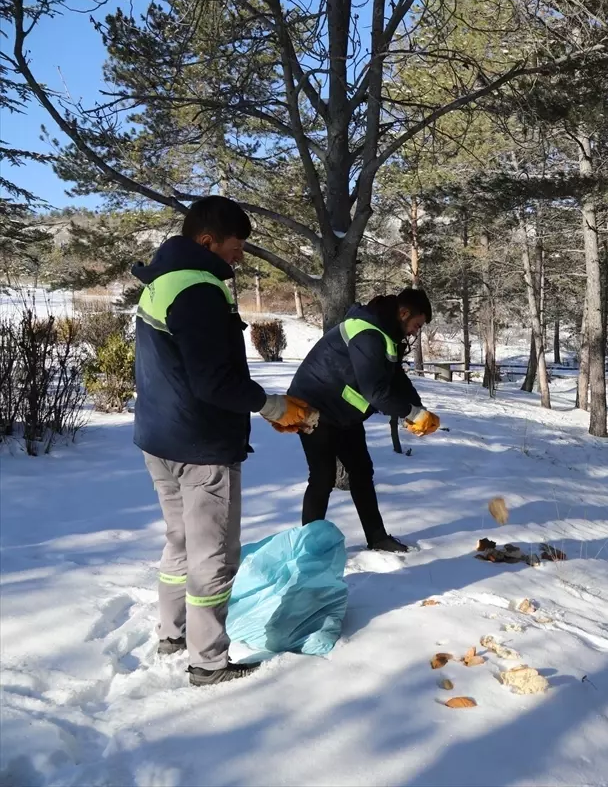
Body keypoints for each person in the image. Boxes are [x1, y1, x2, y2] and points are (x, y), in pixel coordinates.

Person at [133, 196, 313, 687]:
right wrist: (271, 405)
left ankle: (172, 633)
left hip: (159, 437)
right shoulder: (198, 290)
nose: (239, 258)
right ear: (207, 241)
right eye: (236, 248)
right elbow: (213, 382)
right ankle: (208, 661)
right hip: (199, 444)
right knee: (213, 554)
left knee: (180, 541)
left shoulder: (164, 278)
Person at [286, 289, 440, 552]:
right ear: (403, 314)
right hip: (313, 406)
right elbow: (376, 393)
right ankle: (307, 548)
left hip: (342, 413)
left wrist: (417, 407)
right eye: (416, 325)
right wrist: (413, 414)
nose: (415, 332)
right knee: (323, 476)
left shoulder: (385, 334)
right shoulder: (367, 333)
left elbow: (395, 378)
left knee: (361, 471)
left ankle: (377, 537)